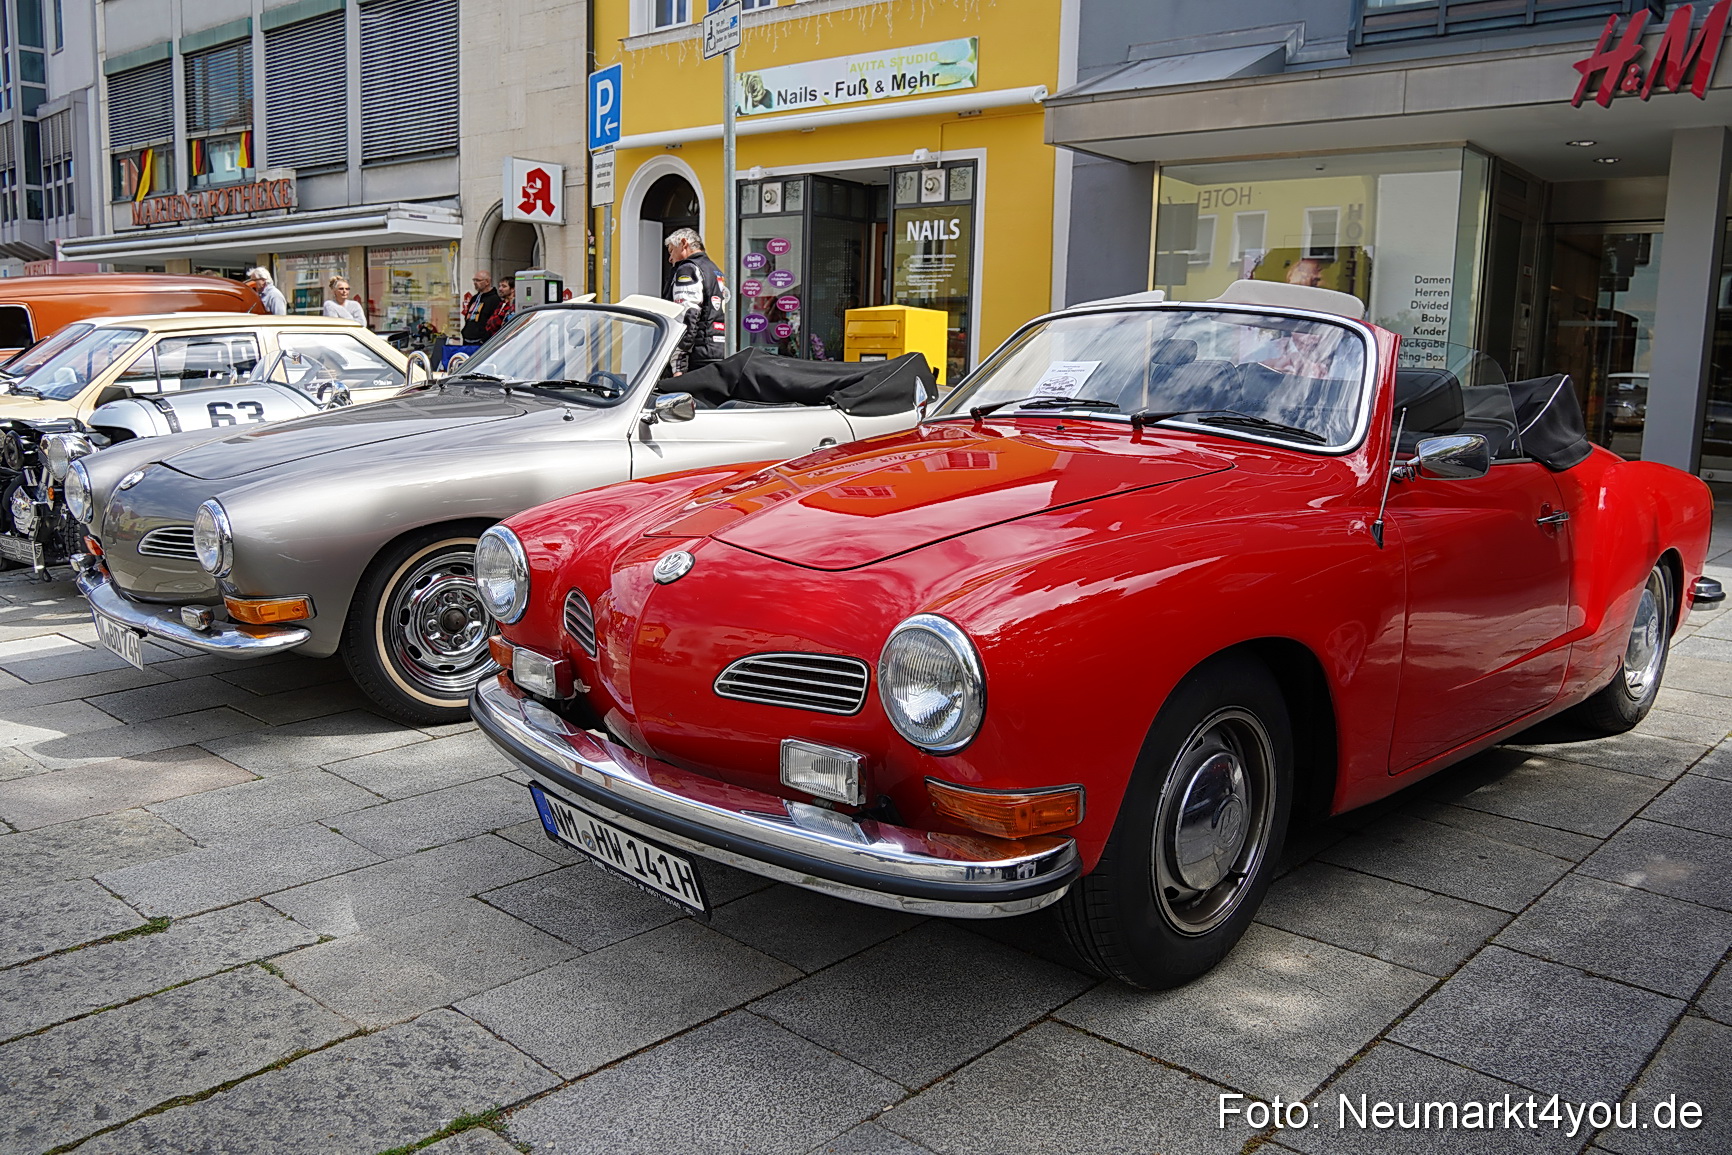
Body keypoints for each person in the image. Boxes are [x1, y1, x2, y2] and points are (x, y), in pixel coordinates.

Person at [663, 228, 729, 374]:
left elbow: (687, 314)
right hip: (718, 350)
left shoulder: (688, 269)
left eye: (671, 250)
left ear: (684, 243)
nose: (670, 258)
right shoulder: (714, 269)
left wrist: (678, 361)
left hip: (697, 354)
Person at [461, 271, 501, 343]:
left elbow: (494, 322)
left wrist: (484, 338)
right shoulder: (474, 298)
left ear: (487, 282)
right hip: (468, 339)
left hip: (481, 341)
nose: (475, 283)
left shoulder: (494, 299)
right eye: (474, 280)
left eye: (478, 280)